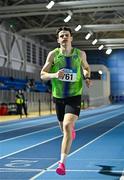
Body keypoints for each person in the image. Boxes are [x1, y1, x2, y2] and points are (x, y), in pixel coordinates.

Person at [40, 26, 91, 175]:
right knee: (63, 130)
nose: (64, 38)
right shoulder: (53, 55)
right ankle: (69, 132)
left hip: (74, 95)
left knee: (68, 126)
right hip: (58, 97)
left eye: (67, 35)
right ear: (58, 40)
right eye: (61, 36)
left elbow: (86, 68)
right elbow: (43, 74)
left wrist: (87, 77)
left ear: (71, 38)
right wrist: (55, 75)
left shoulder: (80, 54)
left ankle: (61, 163)